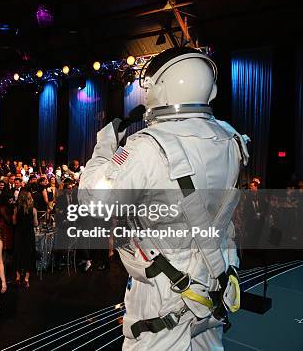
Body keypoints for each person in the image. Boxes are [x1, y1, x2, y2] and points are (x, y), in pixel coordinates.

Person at [79, 47, 247, 350]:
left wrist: (103, 149)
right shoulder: (231, 140)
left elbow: (93, 199)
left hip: (163, 293)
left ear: (161, 87)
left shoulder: (147, 147)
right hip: (214, 278)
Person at [12, 190, 38, 288]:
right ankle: (26, 279)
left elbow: (14, 222)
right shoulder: (33, 210)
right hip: (29, 235)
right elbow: (36, 224)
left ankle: (18, 277)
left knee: (18, 254)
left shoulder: (16, 209)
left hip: (19, 234)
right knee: (29, 255)